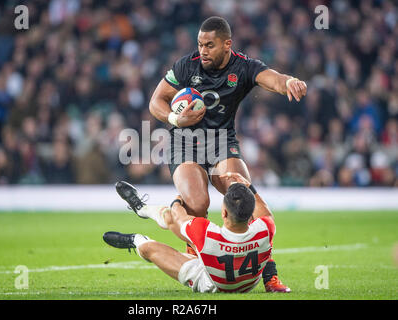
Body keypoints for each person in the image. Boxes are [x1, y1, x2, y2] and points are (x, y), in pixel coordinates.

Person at [148, 16, 305, 292]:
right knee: (197, 203)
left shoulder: (243, 66)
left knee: (243, 197)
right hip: (184, 141)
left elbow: (272, 80)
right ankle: (197, 259)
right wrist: (175, 119)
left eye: (209, 45)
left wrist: (289, 81)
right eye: (200, 44)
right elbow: (156, 101)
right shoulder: (187, 65)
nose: (203, 51)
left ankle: (270, 276)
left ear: (227, 44)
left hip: (222, 141)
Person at [104, 174, 283, 293]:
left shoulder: (206, 233)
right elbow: (265, 212)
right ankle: (142, 210)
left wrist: (181, 196)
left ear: (224, 213)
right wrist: (248, 185)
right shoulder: (266, 229)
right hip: (248, 285)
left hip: (211, 282)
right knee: (179, 227)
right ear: (251, 214)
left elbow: (176, 215)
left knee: (149, 246)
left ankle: (138, 234)